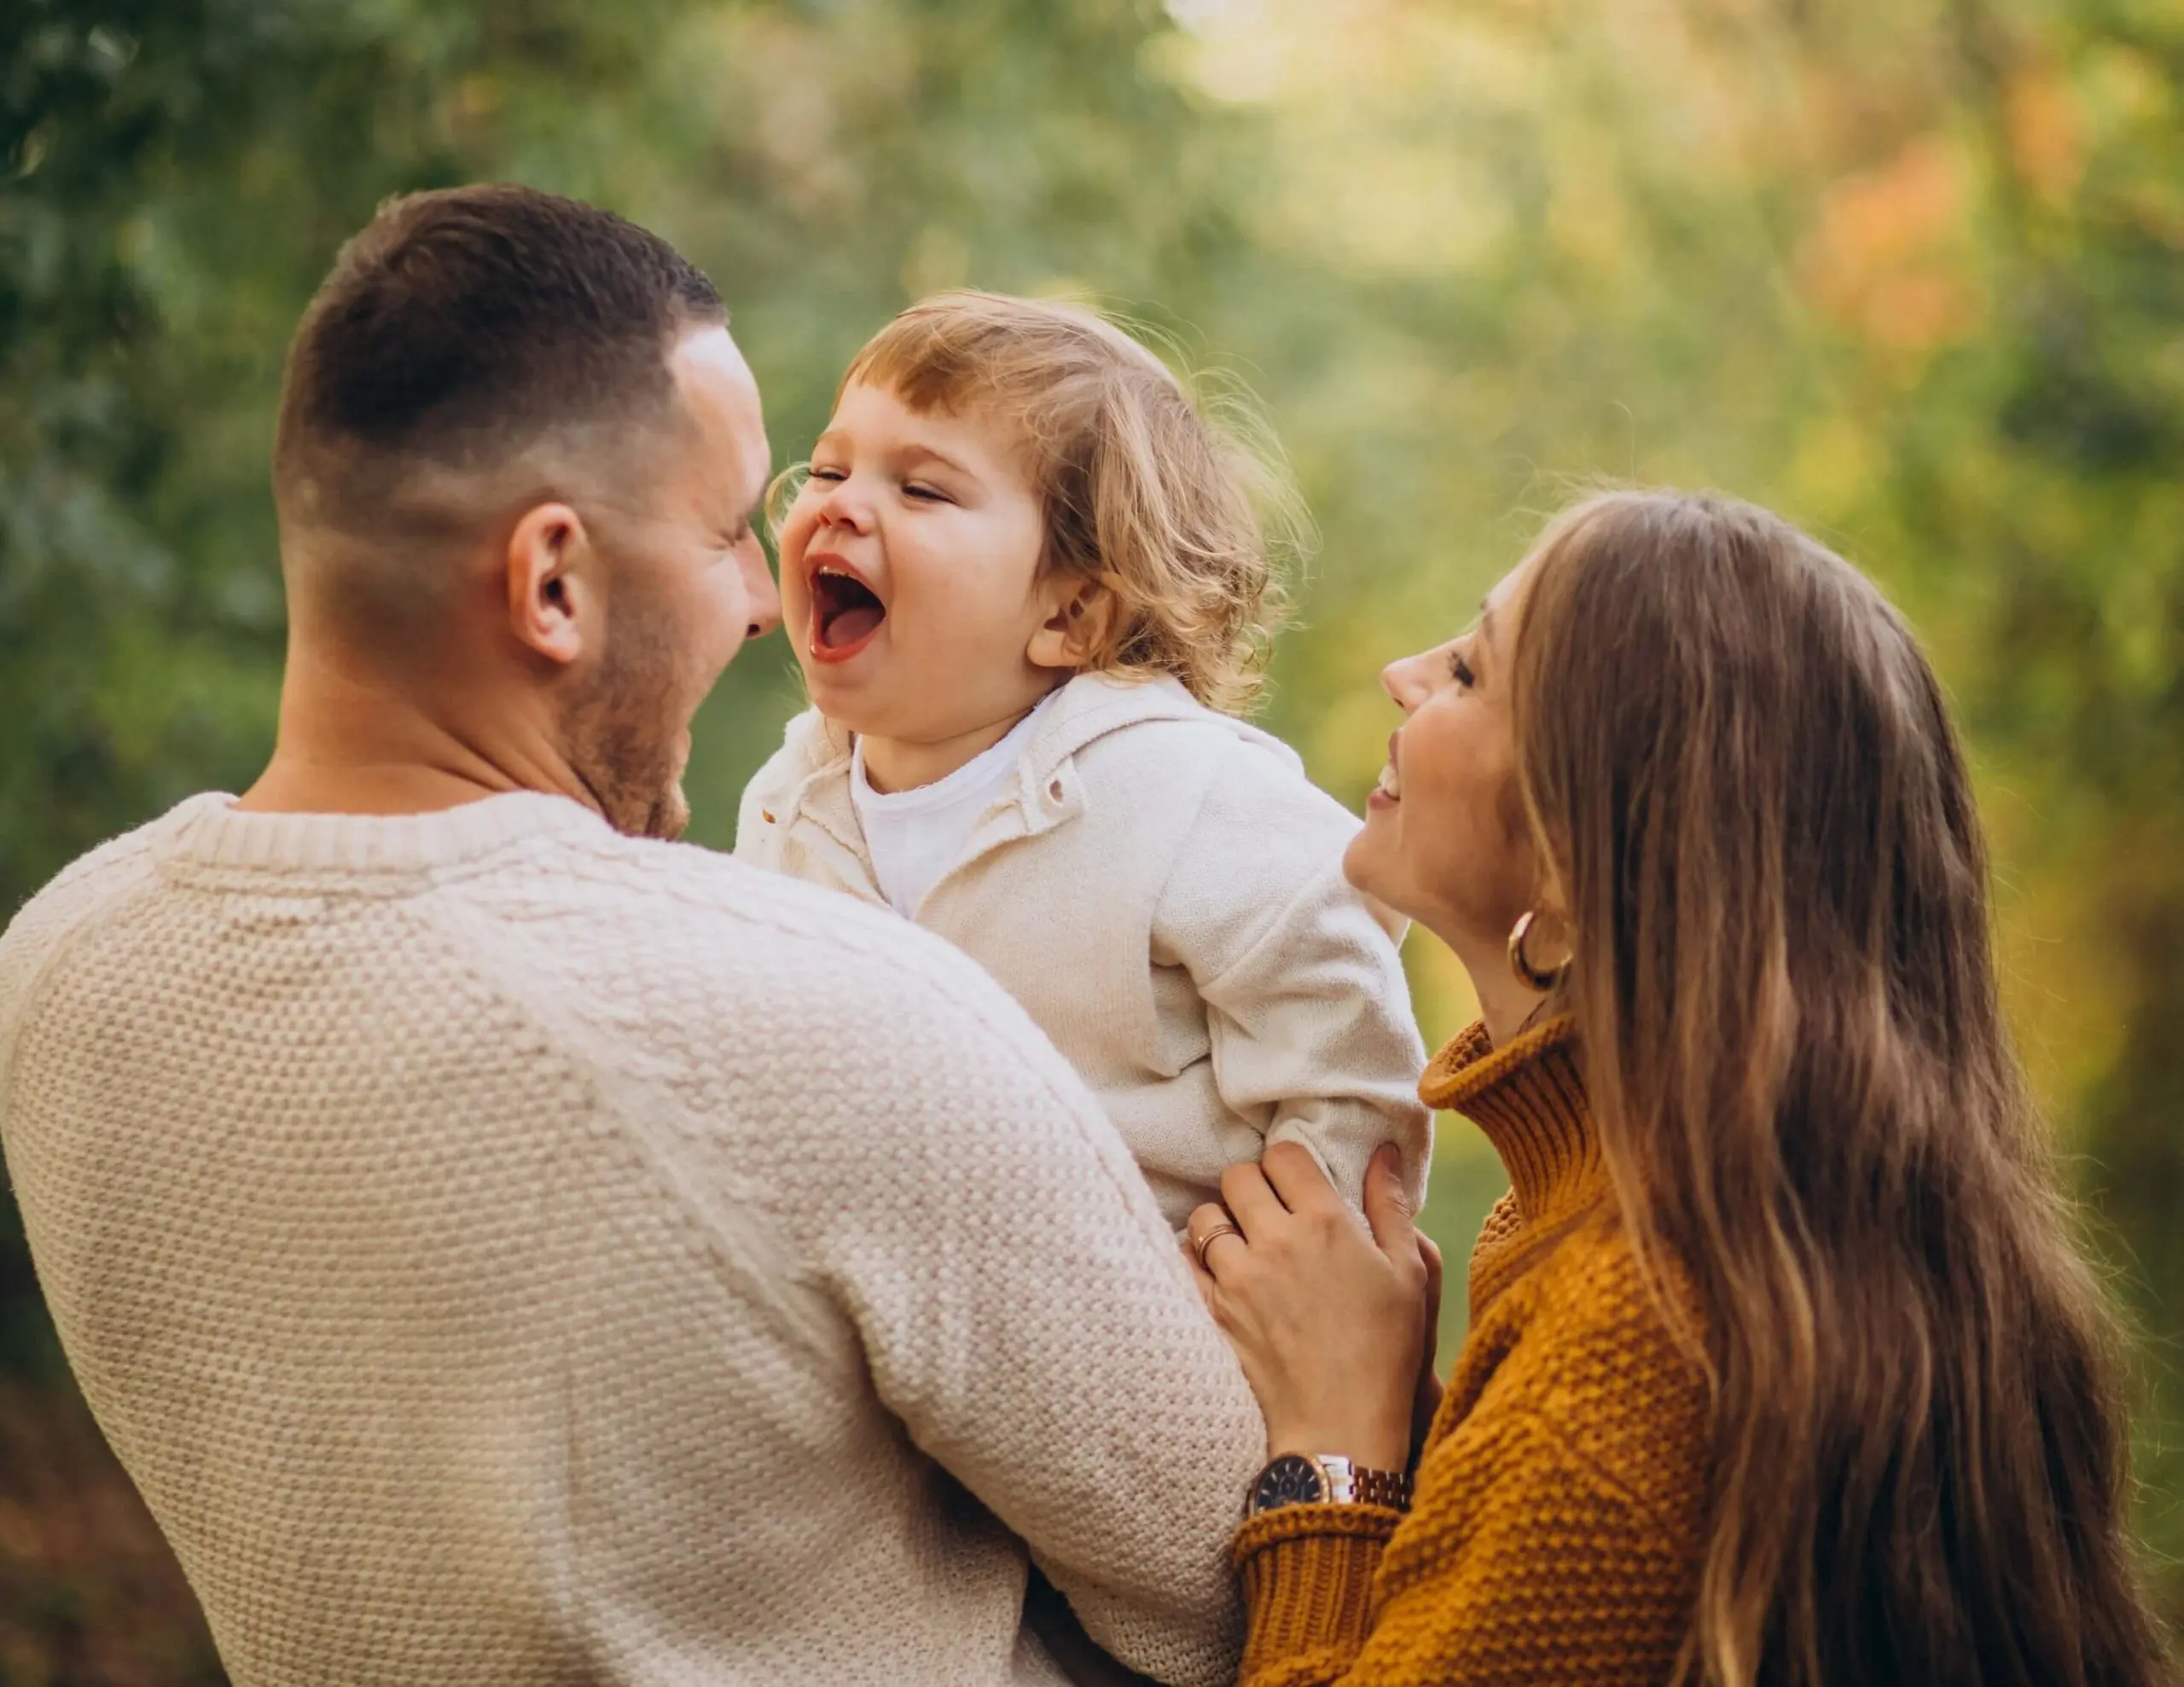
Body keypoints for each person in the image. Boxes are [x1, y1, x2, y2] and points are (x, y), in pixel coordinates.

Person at [0, 185, 1267, 1686]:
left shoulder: (58, 965)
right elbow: (1229, 1596)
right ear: (552, 581)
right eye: (732, 525)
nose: (758, 595)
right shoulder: (832, 1022)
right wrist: (1353, 1429)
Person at [1182, 490, 2173, 1685]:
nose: (1402, 674)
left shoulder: (1628, 1348)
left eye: (1469, 674)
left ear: (1581, 843)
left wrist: (1336, 1457)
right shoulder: (1708, 1235)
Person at [736, 291, 1431, 1230]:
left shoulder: (1181, 789)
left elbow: (1343, 1036)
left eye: (922, 488)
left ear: (1069, 616)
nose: (840, 506)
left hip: (1147, 1320)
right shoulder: (791, 802)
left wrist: (1296, 1268)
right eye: (826, 468)